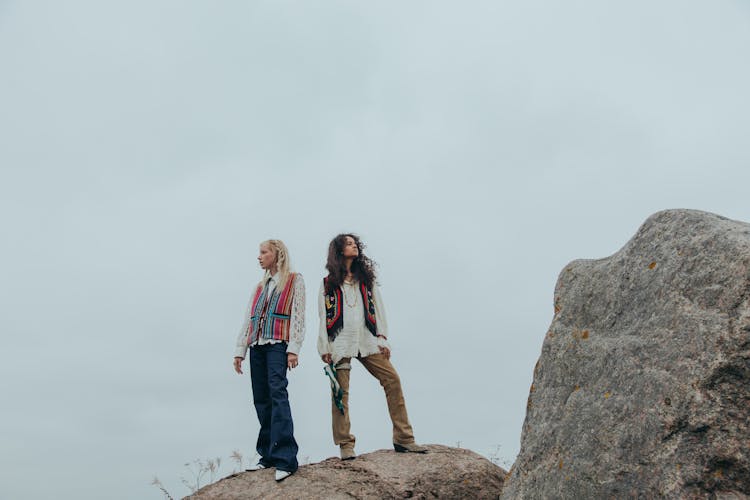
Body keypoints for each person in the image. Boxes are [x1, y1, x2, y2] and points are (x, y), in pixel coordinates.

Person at [317, 233, 427, 460]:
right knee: (340, 394)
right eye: (348, 243)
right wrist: (324, 347)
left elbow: (379, 308)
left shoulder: (366, 280)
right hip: (340, 342)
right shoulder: (327, 283)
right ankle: (345, 444)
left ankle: (404, 439)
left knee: (392, 379)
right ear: (339, 250)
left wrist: (382, 337)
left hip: (368, 340)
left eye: (354, 242)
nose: (353, 245)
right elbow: (322, 315)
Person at [233, 239, 305, 482]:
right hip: (257, 345)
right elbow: (248, 318)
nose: (259, 257)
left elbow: (298, 315)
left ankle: (286, 457)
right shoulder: (259, 287)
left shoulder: (294, 280)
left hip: (278, 345)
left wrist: (293, 348)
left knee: (277, 394)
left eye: (264, 252)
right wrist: (239, 350)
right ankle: (268, 454)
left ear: (277, 254)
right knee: (261, 398)